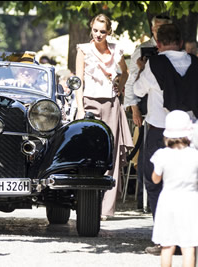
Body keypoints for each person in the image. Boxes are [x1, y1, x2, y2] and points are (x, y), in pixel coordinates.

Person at [133, 23, 198, 255]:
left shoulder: (154, 64)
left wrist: (142, 69)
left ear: (158, 44)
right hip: (193, 131)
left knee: (155, 182)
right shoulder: (196, 63)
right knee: (192, 185)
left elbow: (138, 90)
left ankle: (167, 239)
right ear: (180, 42)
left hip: (161, 130)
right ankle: (189, 238)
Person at [75, 14, 133, 220]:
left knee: (112, 153)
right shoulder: (83, 49)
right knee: (89, 153)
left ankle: (106, 209)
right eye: (96, 30)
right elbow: (78, 81)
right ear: (91, 28)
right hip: (89, 102)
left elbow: (125, 72)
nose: (98, 34)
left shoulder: (117, 50)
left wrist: (120, 83)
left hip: (111, 103)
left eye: (103, 31)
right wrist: (80, 109)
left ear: (109, 32)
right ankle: (87, 203)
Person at [124, 15, 172, 211]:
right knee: (147, 155)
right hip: (149, 109)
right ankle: (144, 200)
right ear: (153, 30)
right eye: (159, 28)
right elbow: (131, 82)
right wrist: (134, 107)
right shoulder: (142, 51)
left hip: (169, 112)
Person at [150, 110, 198, 267]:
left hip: (168, 201)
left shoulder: (162, 155)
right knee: (189, 245)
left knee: (167, 244)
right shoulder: (194, 156)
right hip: (190, 201)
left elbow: (155, 179)